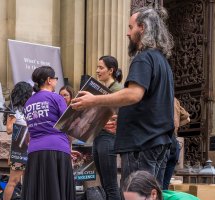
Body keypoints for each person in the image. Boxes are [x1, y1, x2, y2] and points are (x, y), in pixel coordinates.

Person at [71, 6, 175, 184]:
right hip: (158, 142)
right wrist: (125, 119)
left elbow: (134, 94)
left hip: (142, 144)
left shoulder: (143, 58)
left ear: (142, 28)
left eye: (130, 27)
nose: (128, 33)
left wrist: (93, 100)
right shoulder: (162, 62)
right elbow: (152, 104)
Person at [21, 66, 78, 200]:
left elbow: (30, 130)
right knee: (57, 191)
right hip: (56, 147)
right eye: (54, 79)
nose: (56, 82)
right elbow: (68, 125)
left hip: (35, 150)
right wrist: (69, 146)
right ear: (48, 80)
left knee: (38, 193)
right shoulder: (56, 98)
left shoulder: (29, 102)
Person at [89, 55, 124, 200]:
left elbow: (124, 113)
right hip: (99, 136)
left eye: (100, 67)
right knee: (106, 183)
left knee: (110, 184)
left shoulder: (118, 89)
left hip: (109, 138)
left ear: (111, 70)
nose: (97, 71)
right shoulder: (103, 90)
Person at [0, 81, 33, 200]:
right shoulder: (13, 110)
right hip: (19, 148)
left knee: (27, 182)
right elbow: (9, 129)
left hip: (29, 147)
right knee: (13, 180)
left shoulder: (26, 109)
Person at [162, 98, 190, 190]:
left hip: (161, 141)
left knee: (154, 185)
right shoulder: (174, 100)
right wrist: (175, 127)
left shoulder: (156, 94)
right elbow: (187, 119)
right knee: (164, 187)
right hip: (174, 142)